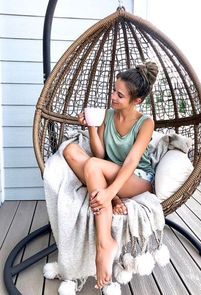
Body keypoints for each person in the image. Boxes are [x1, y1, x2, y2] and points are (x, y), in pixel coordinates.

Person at [63, 61, 158, 289]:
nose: (113, 97)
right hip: (107, 171)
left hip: (137, 178)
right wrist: (91, 128)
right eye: (113, 91)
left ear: (137, 101)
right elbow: (100, 153)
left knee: (94, 167)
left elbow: (132, 161)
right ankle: (113, 203)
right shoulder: (109, 114)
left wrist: (108, 192)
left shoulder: (145, 123)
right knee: (70, 151)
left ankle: (104, 245)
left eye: (120, 95)